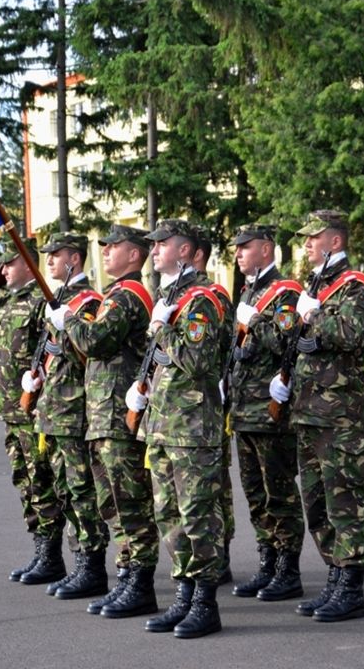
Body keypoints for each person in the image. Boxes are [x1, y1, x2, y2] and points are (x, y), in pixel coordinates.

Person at [268, 210, 364, 623]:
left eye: (314, 238)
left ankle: (351, 586)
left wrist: (314, 315)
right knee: (316, 502)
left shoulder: (354, 285)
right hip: (307, 410)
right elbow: (293, 337)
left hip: (338, 413)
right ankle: (334, 575)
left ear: (335, 241)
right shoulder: (315, 285)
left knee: (345, 497)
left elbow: (351, 333)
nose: (307, 244)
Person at [126, 219, 227, 639]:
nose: (154, 251)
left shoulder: (201, 299)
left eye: (161, 244)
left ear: (185, 251)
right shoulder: (169, 297)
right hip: (164, 425)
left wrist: (163, 328)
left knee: (198, 516)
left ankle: (205, 602)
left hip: (192, 429)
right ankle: (183, 595)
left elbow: (200, 363)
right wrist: (141, 387)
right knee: (169, 517)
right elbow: (163, 361)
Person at [53, 224, 160, 619]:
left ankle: (141, 583)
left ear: (134, 254)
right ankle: (128, 576)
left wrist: (70, 321)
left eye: (114, 247)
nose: (107, 253)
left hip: (117, 417)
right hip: (102, 415)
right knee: (112, 504)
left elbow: (97, 341)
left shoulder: (128, 295)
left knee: (130, 503)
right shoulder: (115, 294)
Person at [21, 232, 108, 599]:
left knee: (82, 491)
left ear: (73, 258)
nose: (49, 261)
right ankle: (77, 562)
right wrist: (34, 375)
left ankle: (92, 566)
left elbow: (86, 354)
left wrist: (66, 324)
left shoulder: (86, 302)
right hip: (52, 412)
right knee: (63, 490)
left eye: (55, 255)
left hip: (74, 412)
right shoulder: (57, 300)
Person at [226, 224, 306, 601]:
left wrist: (255, 320)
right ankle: (268, 563)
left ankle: (289, 570)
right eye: (237, 248)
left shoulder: (285, 292)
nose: (238, 253)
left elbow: (287, 340)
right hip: (244, 411)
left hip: (270, 415)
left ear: (267, 249)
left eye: (246, 247)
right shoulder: (249, 291)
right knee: (255, 493)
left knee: (280, 492)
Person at [0, 243, 66, 583]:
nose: (3, 270)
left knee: (42, 483)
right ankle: (40, 549)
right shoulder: (9, 302)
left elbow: (53, 355)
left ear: (26, 263)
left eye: (8, 264)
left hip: (33, 411)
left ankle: (51, 555)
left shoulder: (41, 302)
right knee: (24, 483)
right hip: (10, 409)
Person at [191, 229, 235, 585]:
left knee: (214, 486)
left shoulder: (212, 294)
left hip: (207, 404)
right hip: (186, 410)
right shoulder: (176, 296)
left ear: (196, 256)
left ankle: (221, 555)